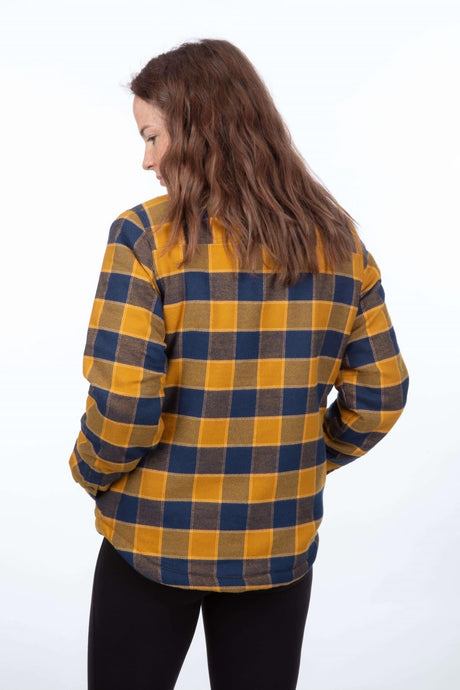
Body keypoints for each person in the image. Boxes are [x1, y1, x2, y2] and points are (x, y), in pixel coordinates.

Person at [68, 38, 409, 690]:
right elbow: (382, 393)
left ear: (198, 130)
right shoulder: (340, 243)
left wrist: (89, 469)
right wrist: (299, 458)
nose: (146, 160)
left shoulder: (145, 237)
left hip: (152, 538)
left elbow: (125, 407)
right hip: (276, 543)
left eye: (152, 137)